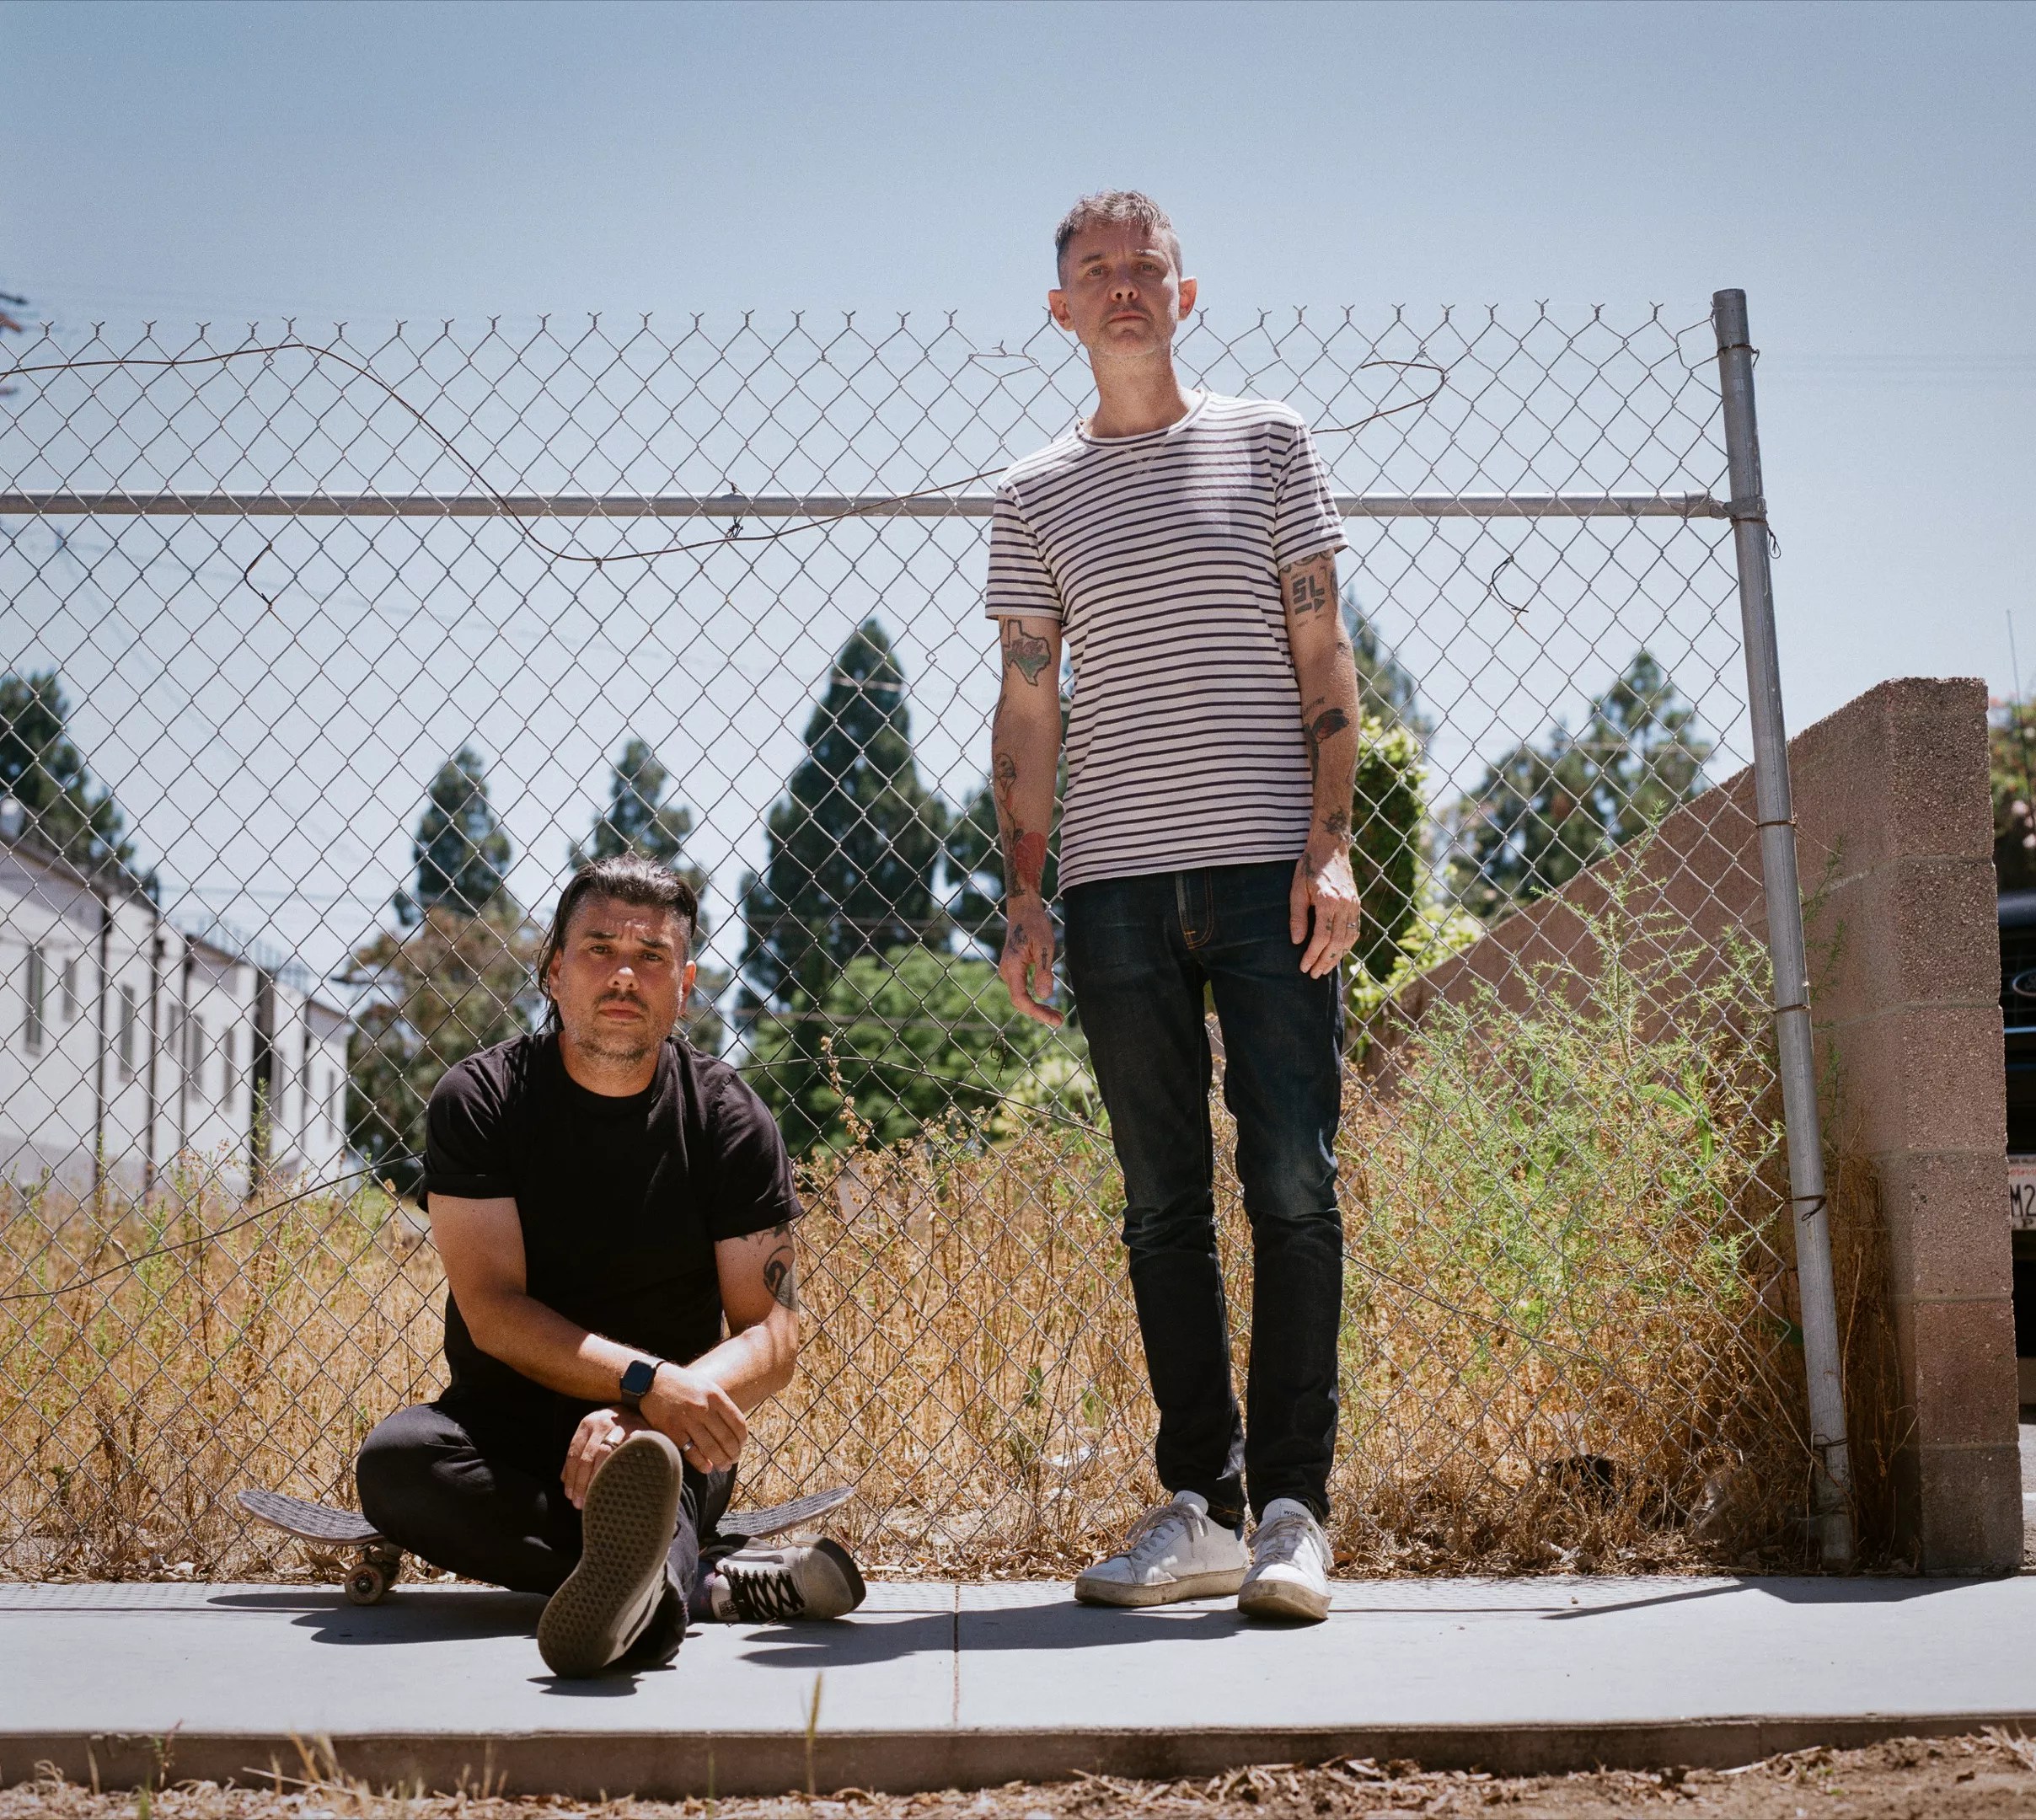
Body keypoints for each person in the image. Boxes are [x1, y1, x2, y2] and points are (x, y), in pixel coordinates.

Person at [986, 190, 1361, 1625]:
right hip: (1117, 888)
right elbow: (1030, 709)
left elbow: (1322, 658)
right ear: (1061, 309)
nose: (1123, 288)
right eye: (1096, 272)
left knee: (1295, 1185)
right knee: (1161, 1207)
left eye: (1145, 268)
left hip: (1270, 875)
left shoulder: (1268, 444)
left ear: (1185, 297)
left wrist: (1328, 850)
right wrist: (1026, 898)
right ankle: (1199, 1506)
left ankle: (1291, 1516)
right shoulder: (1029, 494)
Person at [355, 854, 864, 1677]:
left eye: (652, 956)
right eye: (598, 949)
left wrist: (651, 1415)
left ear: (685, 985)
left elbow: (773, 1333)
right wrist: (642, 1380)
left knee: (655, 1476)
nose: (624, 974)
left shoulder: (729, 1119)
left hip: (668, 1444)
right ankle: (683, 1589)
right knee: (397, 1462)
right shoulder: (480, 1102)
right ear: (553, 971)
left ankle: (650, 1579)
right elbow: (493, 1310)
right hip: (508, 1435)